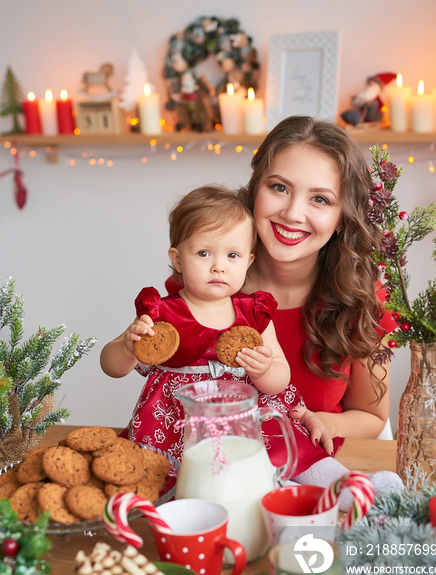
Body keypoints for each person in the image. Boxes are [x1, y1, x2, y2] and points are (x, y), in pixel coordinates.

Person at [237, 115, 401, 497]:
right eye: (279, 187)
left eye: (320, 199)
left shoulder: (364, 302)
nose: (293, 213)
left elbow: (372, 417)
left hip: (319, 481)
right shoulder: (210, 281)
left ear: (343, 217)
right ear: (254, 189)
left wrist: (324, 421)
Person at [100, 184, 293, 459]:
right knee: (165, 481)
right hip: (172, 427)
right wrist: (127, 350)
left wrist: (263, 372)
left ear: (249, 261)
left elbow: (281, 377)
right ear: (177, 260)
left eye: (232, 255)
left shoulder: (254, 315)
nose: (219, 266)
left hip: (235, 424)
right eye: (204, 253)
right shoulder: (160, 313)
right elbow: (110, 366)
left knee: (260, 467)